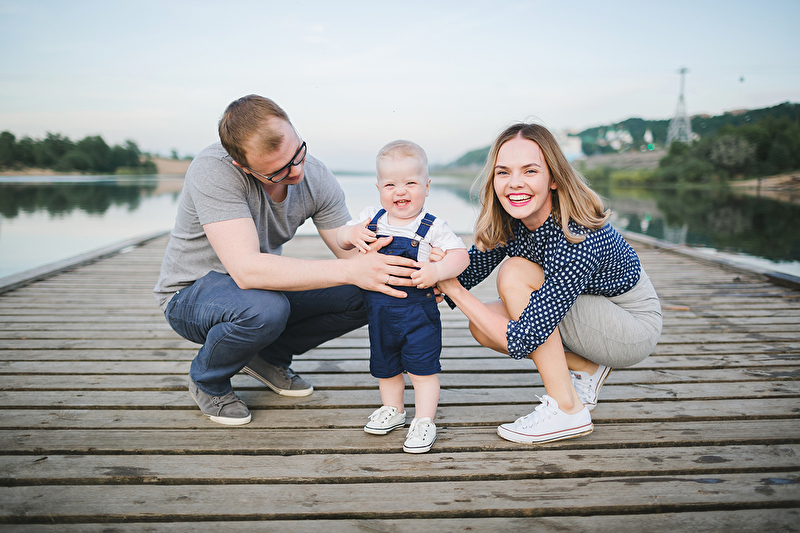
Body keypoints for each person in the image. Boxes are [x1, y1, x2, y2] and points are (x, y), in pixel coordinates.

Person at [153, 95, 420, 426]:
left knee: (372, 290)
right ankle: (207, 379)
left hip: (260, 292)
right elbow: (247, 270)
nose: (296, 172)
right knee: (264, 310)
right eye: (277, 171)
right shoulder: (213, 170)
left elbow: (352, 253)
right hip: (190, 295)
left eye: (298, 154)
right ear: (243, 166)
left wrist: (413, 274)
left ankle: (269, 358)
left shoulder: (315, 176)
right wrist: (351, 269)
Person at [436, 123, 662, 444]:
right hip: (589, 308)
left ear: (553, 178)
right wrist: (426, 266)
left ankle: (567, 409)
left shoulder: (577, 234)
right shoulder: (512, 220)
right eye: (504, 172)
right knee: (482, 324)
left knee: (513, 273)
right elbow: (466, 273)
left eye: (529, 171)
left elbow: (525, 337)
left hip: (631, 324)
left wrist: (453, 291)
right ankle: (586, 368)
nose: (515, 183)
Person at [337, 140, 469, 453]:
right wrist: (351, 234)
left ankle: (424, 419)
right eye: (391, 184)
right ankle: (393, 410)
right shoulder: (371, 218)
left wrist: (437, 273)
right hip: (380, 313)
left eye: (411, 182)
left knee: (423, 371)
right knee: (386, 368)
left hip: (418, 314)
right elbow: (342, 238)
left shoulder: (433, 226)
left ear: (427, 185)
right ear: (379, 187)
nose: (401, 191)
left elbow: (460, 256)